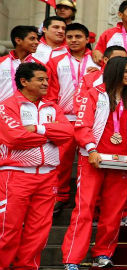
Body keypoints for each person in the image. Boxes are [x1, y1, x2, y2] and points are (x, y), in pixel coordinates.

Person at [61, 57, 127, 269]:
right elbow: (81, 125)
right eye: (126, 71)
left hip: (122, 162)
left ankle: (103, 254)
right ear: (114, 71)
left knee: (113, 212)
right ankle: (72, 258)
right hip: (93, 159)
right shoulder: (94, 94)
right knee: (85, 209)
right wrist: (91, 149)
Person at [0, 62, 74, 269]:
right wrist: (50, 135)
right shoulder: (7, 106)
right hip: (15, 175)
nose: (46, 83)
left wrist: (37, 129)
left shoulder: (52, 106)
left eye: (46, 79)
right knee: (8, 229)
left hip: (47, 176)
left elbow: (68, 133)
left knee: (38, 231)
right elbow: (14, 138)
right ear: (24, 81)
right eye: (40, 79)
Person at [45, 23, 100, 213]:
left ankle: (92, 201)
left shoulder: (98, 62)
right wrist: (55, 115)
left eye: (78, 37)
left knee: (91, 161)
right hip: (65, 118)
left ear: (87, 39)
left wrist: (100, 69)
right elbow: (50, 91)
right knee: (62, 160)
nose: (74, 40)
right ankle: (60, 196)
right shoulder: (55, 61)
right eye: (70, 37)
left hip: (91, 120)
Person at [0, 25, 40, 102]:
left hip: (28, 111)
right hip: (2, 111)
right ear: (18, 40)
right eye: (32, 39)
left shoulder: (39, 65)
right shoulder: (1, 62)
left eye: (37, 39)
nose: (37, 42)